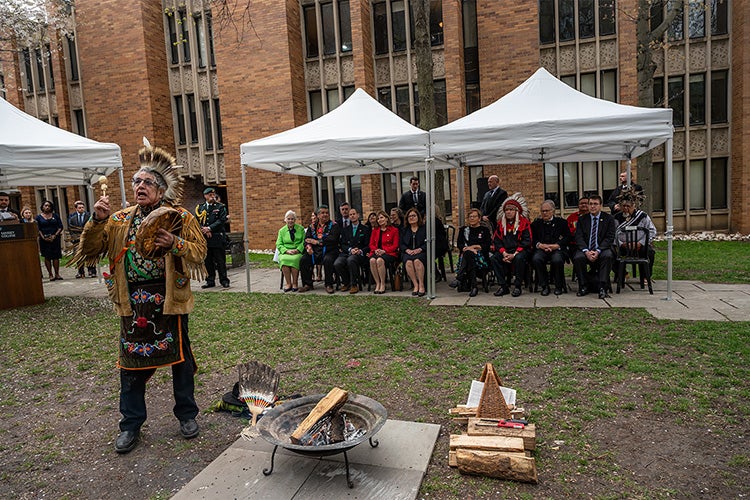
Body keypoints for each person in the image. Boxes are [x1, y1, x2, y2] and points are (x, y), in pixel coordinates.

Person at [69, 142, 207, 454]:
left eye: (146, 183)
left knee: (180, 361)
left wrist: (175, 242)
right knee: (130, 365)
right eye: (136, 182)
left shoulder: (180, 217)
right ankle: (130, 424)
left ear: (160, 190)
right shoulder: (117, 220)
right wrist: (96, 221)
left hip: (169, 300)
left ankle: (186, 415)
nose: (139, 187)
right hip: (132, 303)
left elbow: (200, 253)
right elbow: (90, 252)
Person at [573, 195, 616, 299]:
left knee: (607, 256)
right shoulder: (582, 219)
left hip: (602, 249)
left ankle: (602, 287)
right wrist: (586, 251)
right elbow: (578, 237)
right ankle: (583, 286)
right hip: (586, 249)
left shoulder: (608, 219)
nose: (592, 206)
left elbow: (609, 237)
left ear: (600, 206)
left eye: (595, 204)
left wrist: (598, 251)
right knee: (578, 257)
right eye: (590, 204)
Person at [490, 193, 531, 297]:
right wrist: (504, 253)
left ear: (517, 211)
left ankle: (517, 286)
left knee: (519, 259)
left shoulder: (524, 223)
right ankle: (503, 286)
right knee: (495, 258)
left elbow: (527, 241)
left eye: (511, 209)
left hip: (519, 251)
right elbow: (497, 241)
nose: (508, 212)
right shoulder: (501, 224)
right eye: (507, 210)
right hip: (505, 251)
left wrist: (515, 254)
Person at [614, 187, 657, 280]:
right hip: (622, 247)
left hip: (640, 246)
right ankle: (623, 274)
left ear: (634, 206)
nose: (625, 208)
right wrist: (621, 244)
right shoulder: (616, 218)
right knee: (610, 253)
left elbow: (652, 231)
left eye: (628, 206)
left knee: (649, 252)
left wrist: (640, 243)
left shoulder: (643, 216)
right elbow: (612, 234)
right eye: (623, 206)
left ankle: (645, 276)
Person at [530, 200, 570, 296]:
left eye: (547, 211)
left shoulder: (562, 223)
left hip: (556, 249)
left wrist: (557, 245)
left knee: (557, 260)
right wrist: (540, 245)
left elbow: (567, 237)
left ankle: (558, 286)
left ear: (553, 211)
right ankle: (544, 286)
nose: (544, 213)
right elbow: (532, 238)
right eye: (543, 211)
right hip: (541, 249)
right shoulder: (535, 224)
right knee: (536, 259)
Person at [450, 208, 492, 297]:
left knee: (468, 254)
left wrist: (473, 247)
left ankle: (459, 278)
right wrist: (468, 249)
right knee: (468, 255)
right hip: (467, 256)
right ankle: (474, 286)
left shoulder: (484, 230)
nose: (472, 218)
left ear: (479, 218)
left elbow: (487, 246)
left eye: (474, 216)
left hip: (481, 258)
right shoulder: (464, 230)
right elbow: (459, 245)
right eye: (470, 217)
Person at [299, 205, 340, 293]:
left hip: (329, 250)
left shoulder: (334, 225)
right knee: (304, 259)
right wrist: (308, 247)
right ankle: (307, 284)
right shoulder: (312, 226)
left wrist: (316, 242)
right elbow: (307, 239)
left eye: (327, 213)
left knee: (328, 260)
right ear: (318, 215)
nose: (325, 215)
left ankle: (328, 284)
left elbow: (333, 239)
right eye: (322, 213)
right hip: (314, 251)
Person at [195, 186, 230, 289]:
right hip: (205, 238)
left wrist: (209, 228)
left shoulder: (220, 207)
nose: (212, 196)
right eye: (210, 195)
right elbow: (196, 221)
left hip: (217, 237)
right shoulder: (200, 208)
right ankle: (210, 281)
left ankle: (224, 280)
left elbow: (221, 220)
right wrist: (204, 230)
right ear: (205, 196)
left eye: (213, 195)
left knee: (220, 261)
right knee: (208, 261)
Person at [334, 208, 370, 294]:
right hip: (347, 252)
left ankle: (354, 284)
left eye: (354, 214)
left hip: (359, 254)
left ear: (358, 215)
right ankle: (346, 282)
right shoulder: (345, 229)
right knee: (337, 263)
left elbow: (368, 245)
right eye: (350, 215)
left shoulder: (365, 229)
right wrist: (350, 249)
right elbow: (342, 244)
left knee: (351, 260)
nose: (352, 216)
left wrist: (360, 250)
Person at [368, 210, 399, 294]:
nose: (379, 220)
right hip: (377, 252)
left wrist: (384, 251)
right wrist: (376, 250)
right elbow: (371, 244)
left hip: (389, 253)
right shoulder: (375, 230)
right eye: (378, 219)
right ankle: (377, 283)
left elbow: (395, 245)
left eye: (381, 217)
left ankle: (383, 283)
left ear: (386, 219)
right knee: (372, 260)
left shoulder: (394, 230)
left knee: (379, 260)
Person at [400, 207, 427, 296]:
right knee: (408, 262)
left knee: (417, 261)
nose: (411, 218)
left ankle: (422, 285)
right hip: (408, 252)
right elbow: (401, 244)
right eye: (409, 216)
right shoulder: (404, 230)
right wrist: (407, 250)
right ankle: (415, 284)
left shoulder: (424, 228)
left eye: (414, 216)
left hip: (421, 252)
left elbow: (427, 242)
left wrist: (420, 249)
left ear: (418, 217)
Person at [276, 210, 305, 292]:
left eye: (292, 219)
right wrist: (286, 251)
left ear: (295, 220)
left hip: (297, 251)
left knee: (295, 259)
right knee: (284, 259)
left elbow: (304, 241)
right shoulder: (281, 231)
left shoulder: (301, 229)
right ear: (285, 220)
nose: (290, 221)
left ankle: (295, 283)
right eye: (288, 219)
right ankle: (288, 283)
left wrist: (298, 250)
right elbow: (279, 244)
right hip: (286, 252)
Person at [36, 200, 64, 281]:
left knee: (56, 256)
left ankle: (57, 274)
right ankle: (50, 274)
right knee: (47, 257)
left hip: (55, 239)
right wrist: (43, 237)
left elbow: (60, 226)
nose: (47, 207)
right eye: (45, 205)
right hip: (44, 240)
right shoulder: (38, 217)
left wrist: (54, 235)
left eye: (49, 206)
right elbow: (38, 228)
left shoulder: (55, 216)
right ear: (42, 207)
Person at [68, 200, 97, 278]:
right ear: (76, 209)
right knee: (78, 256)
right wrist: (75, 238)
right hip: (77, 240)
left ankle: (92, 271)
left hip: (88, 239)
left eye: (82, 207)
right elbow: (71, 229)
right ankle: (81, 272)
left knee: (90, 255)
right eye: (79, 208)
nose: (81, 209)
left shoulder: (89, 217)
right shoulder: (72, 218)